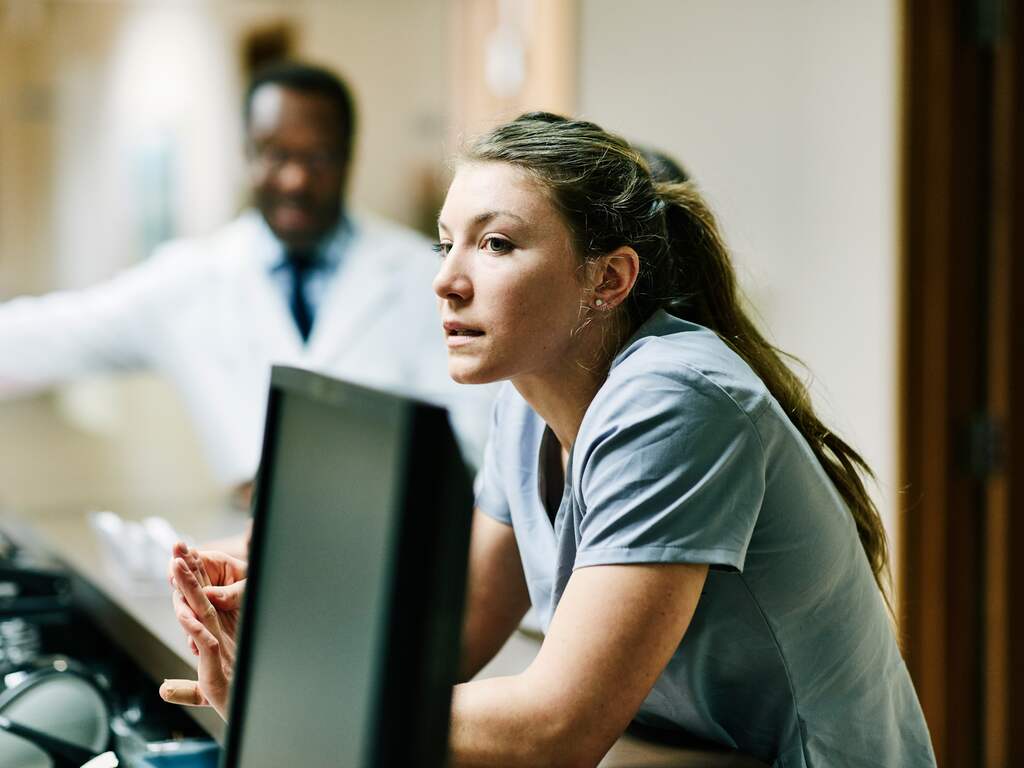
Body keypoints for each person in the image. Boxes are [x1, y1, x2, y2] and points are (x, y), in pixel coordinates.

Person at [162, 113, 936, 767]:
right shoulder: (530, 395)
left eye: (495, 244)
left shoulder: (673, 400)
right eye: (445, 244)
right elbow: (456, 628)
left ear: (609, 280)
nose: (447, 280)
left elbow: (555, 726)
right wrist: (279, 625)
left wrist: (304, 694)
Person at [0, 62, 492, 490]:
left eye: (317, 157)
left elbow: (477, 434)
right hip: (243, 556)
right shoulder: (190, 279)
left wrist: (326, 482)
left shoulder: (423, 276)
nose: (295, 179)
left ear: (348, 155)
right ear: (247, 154)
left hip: (400, 552)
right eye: (275, 154)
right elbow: (50, 334)